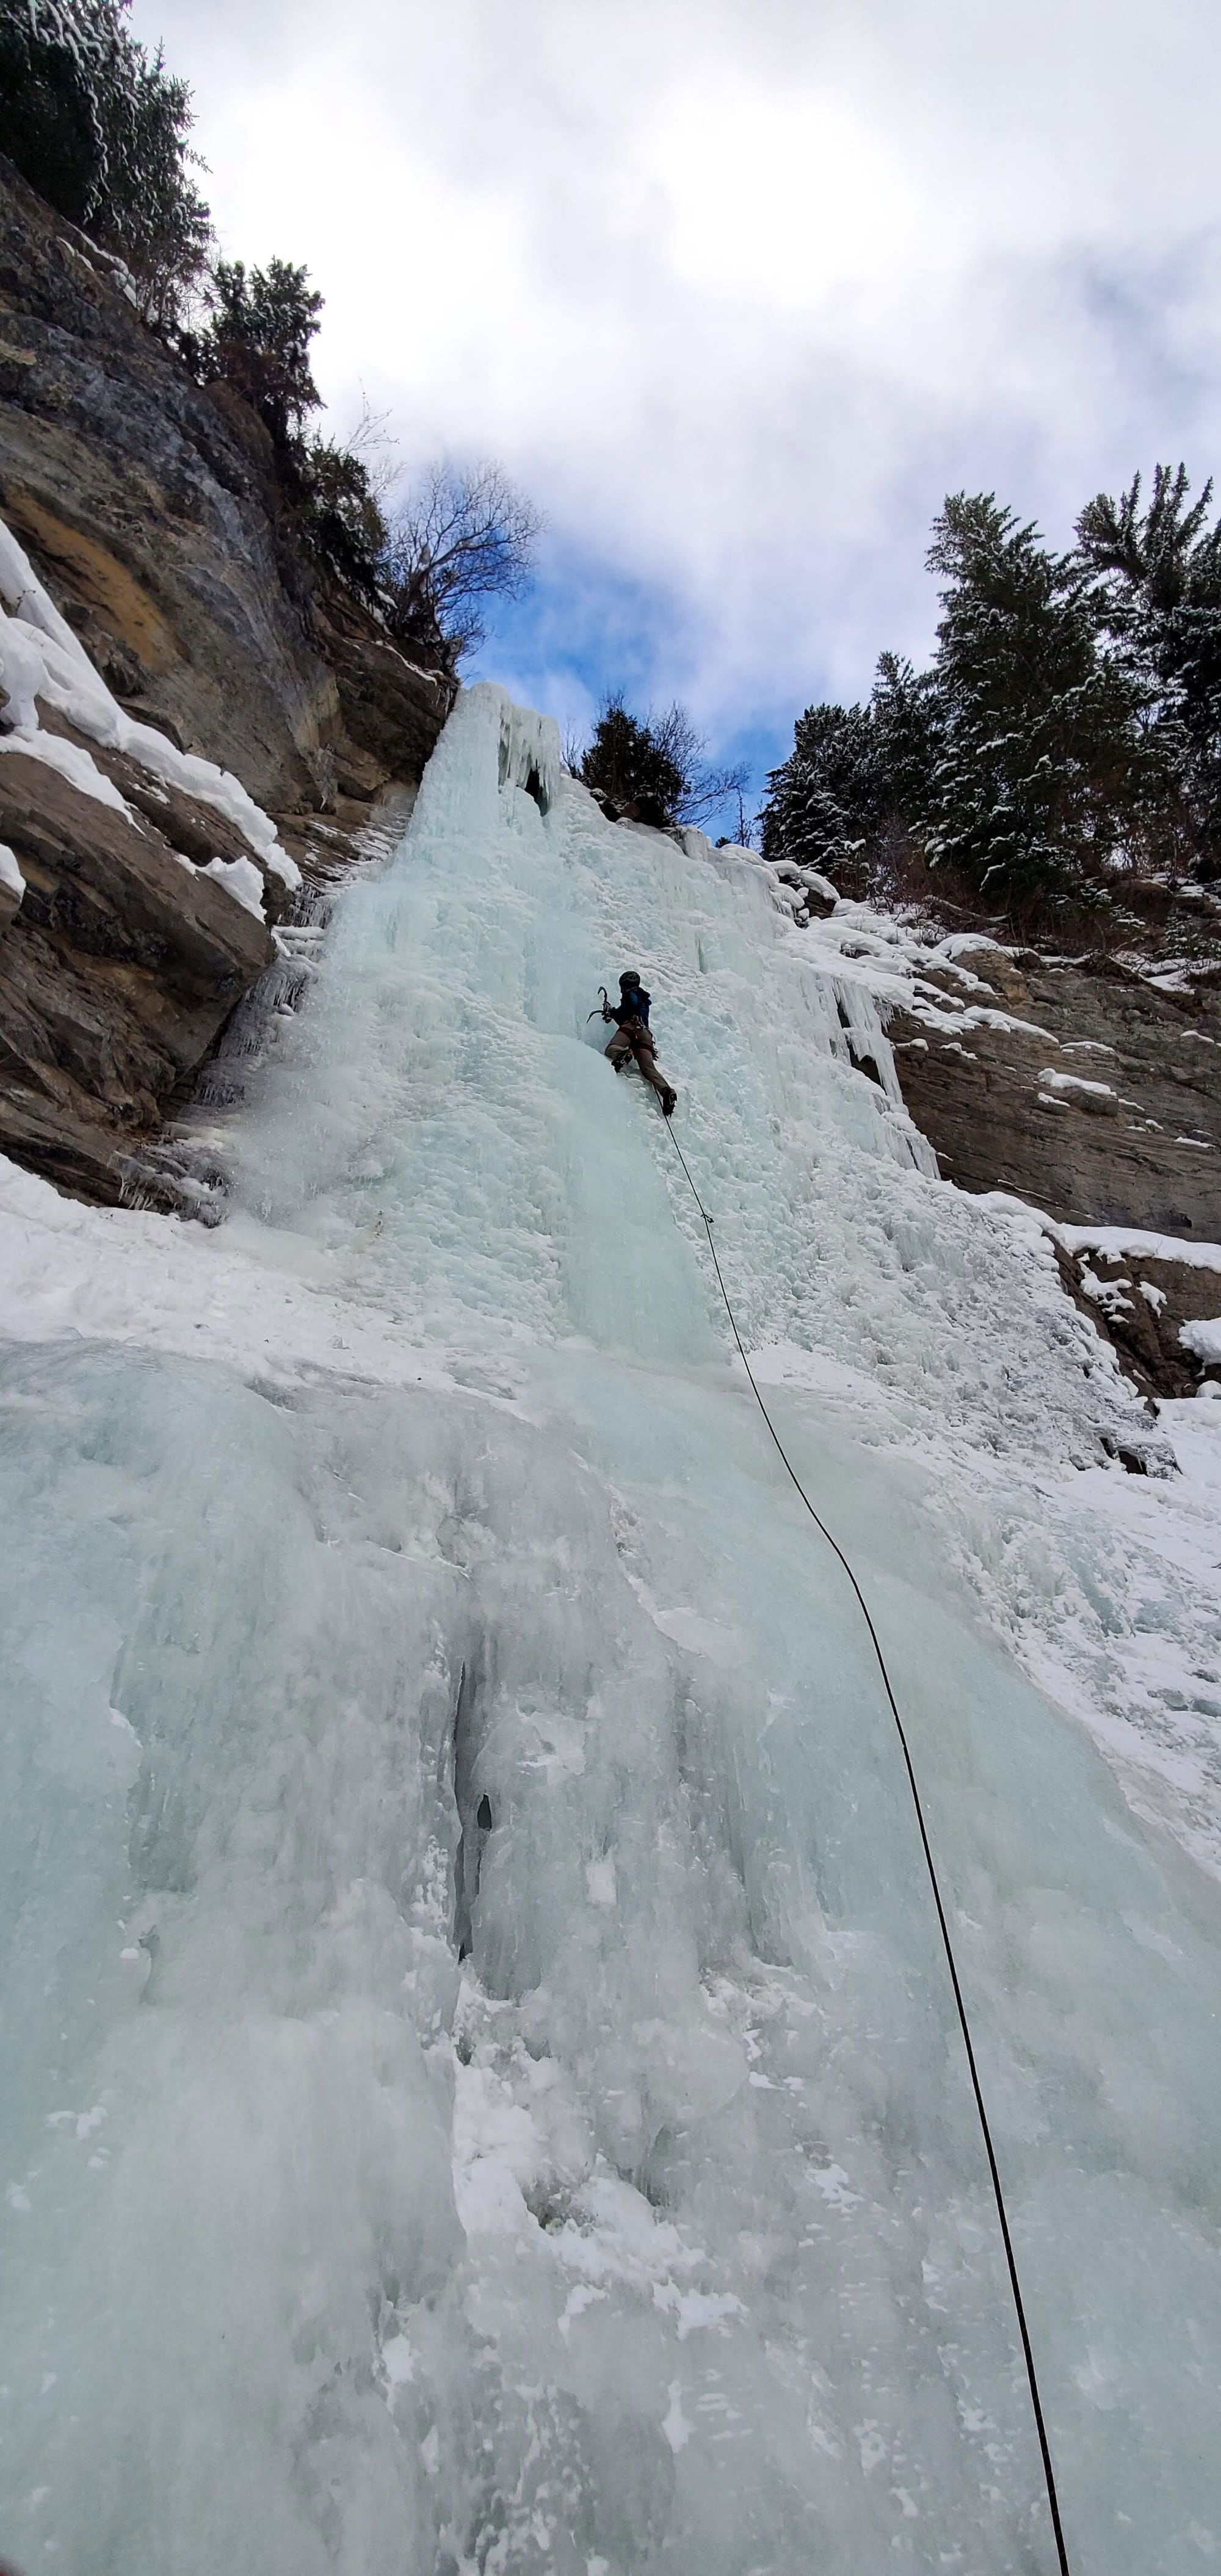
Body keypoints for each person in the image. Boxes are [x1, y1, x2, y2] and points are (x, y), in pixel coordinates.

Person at [598, 970, 677, 1117]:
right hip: (645, 1033)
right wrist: (614, 1014)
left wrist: (613, 1012)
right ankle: (667, 1092)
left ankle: (624, 1054)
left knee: (612, 1049)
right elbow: (628, 1013)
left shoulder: (632, 993)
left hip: (632, 1027)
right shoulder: (644, 999)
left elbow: (630, 1008)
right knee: (648, 1068)